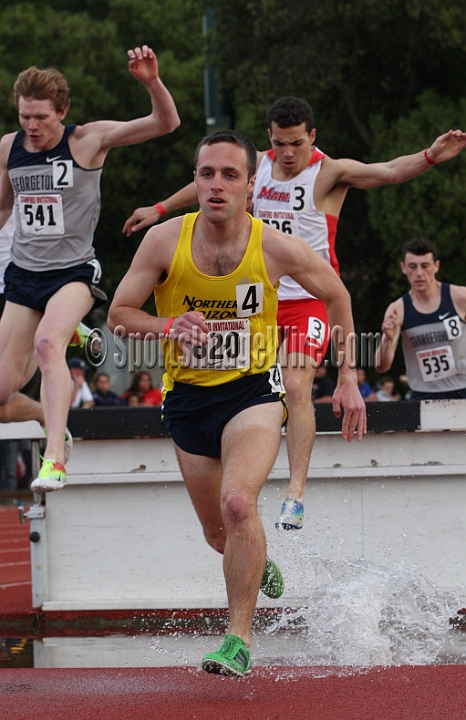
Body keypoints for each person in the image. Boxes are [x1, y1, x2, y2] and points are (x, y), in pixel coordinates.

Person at [122, 97, 466, 530]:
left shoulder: (329, 172)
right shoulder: (250, 170)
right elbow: (208, 187)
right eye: (280, 144)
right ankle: (239, 491)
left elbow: (389, 171)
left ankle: (295, 491)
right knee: (238, 383)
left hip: (308, 301)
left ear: (312, 137)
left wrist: (432, 155)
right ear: (269, 139)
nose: (288, 154)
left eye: (297, 144)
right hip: (257, 299)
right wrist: (158, 209)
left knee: (295, 382)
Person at [108, 129, 366, 678]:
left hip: (251, 393)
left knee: (237, 504)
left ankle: (238, 639)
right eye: (207, 174)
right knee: (218, 535)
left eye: (230, 175)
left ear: (251, 185)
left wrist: (348, 374)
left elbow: (336, 292)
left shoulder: (273, 246)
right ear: (195, 181)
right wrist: (169, 325)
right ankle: (259, 560)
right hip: (187, 399)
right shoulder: (162, 241)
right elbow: (119, 316)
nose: (216, 185)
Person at [0, 45, 180, 492]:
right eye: (25, 117)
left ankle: (55, 457)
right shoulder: (8, 148)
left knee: (47, 344)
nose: (32, 127)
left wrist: (151, 82)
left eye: (41, 117)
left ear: (62, 111)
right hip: (23, 277)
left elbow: (165, 123)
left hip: (72, 273)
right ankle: (56, 396)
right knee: (3, 391)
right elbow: (2, 208)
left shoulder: (87, 140)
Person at [376, 238, 466, 400]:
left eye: (425, 266)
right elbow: (381, 366)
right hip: (423, 394)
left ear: (436, 266)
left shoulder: (460, 298)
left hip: (463, 388)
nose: (419, 273)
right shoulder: (398, 310)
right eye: (412, 267)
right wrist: (387, 340)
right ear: (403, 268)